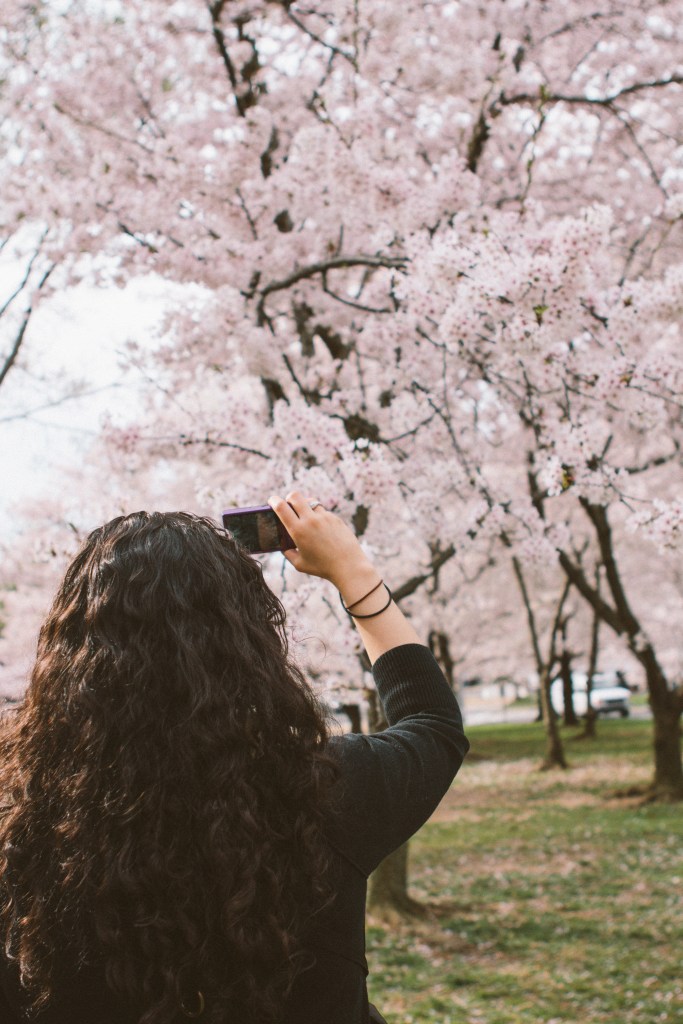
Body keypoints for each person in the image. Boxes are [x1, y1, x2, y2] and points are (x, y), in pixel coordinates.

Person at [0, 492, 469, 1023]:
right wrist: (353, 573)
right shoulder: (323, 789)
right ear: (249, 642)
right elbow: (433, 723)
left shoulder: (21, 822)